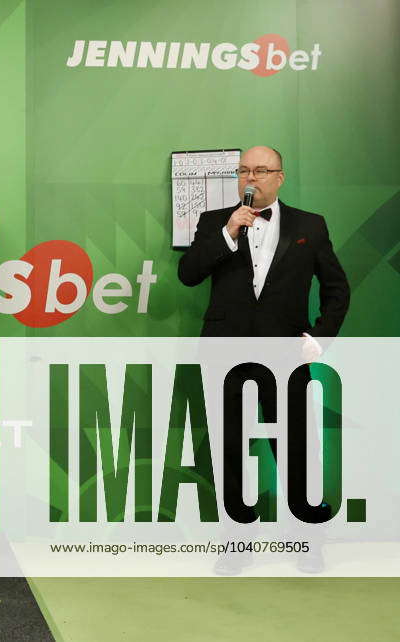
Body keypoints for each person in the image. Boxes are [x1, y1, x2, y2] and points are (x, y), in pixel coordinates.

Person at [178, 145, 350, 574]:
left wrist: (320, 338)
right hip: (225, 349)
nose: (250, 178)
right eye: (243, 170)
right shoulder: (216, 221)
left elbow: (337, 288)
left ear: (280, 176)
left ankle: (306, 540)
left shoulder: (311, 225)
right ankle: (237, 541)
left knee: (296, 447)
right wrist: (229, 233)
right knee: (231, 447)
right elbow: (189, 273)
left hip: (285, 352)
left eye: (260, 170)